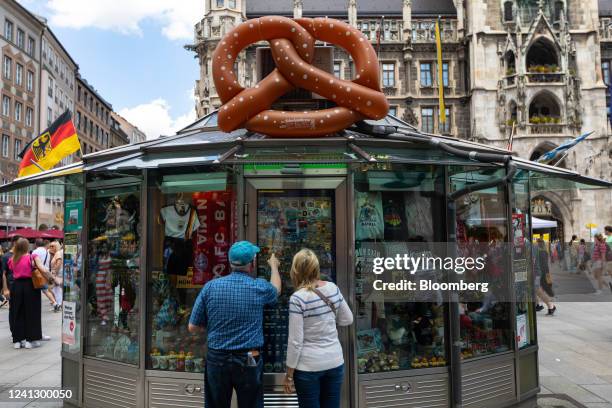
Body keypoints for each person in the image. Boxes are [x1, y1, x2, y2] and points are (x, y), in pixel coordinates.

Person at [188, 241, 281, 408]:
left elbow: (192, 327)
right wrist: (274, 266)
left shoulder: (210, 287)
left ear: (230, 263)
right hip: (249, 358)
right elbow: (277, 290)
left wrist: (213, 327)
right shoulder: (258, 286)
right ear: (252, 264)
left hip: (217, 358)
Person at [283, 249, 353, 408]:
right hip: (334, 362)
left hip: (308, 367)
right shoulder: (333, 288)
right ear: (316, 268)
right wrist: (326, 322)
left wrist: (289, 374)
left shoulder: (298, 298)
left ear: (296, 270)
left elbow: (295, 341)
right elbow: (347, 319)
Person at [8, 238, 52, 349]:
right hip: (30, 286)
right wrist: (53, 279)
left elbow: (10, 270)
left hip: (16, 287)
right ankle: (31, 340)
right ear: (27, 247)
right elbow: (43, 269)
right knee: (32, 313)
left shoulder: (12, 259)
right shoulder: (32, 257)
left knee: (17, 312)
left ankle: (18, 340)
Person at [32, 239, 59, 311]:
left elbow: (33, 263)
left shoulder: (35, 251)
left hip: (38, 273)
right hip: (46, 272)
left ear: (35, 244)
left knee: (43, 289)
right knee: (47, 289)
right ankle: (56, 302)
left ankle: (55, 303)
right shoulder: (46, 251)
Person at [535, 239, 556, 315]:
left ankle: (551, 306)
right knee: (536, 290)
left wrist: (544, 275)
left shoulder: (541, 252)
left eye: (537, 243)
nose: (536, 244)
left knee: (539, 290)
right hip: (542, 273)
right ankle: (538, 305)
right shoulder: (543, 251)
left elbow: (543, 265)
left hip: (542, 273)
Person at [49, 241, 64, 311]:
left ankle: (59, 304)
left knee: (57, 289)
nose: (51, 247)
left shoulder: (57, 253)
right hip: (57, 273)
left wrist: (54, 273)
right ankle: (59, 304)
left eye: (53, 246)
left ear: (56, 246)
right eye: (50, 246)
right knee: (56, 289)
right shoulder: (56, 253)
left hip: (57, 274)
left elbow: (59, 263)